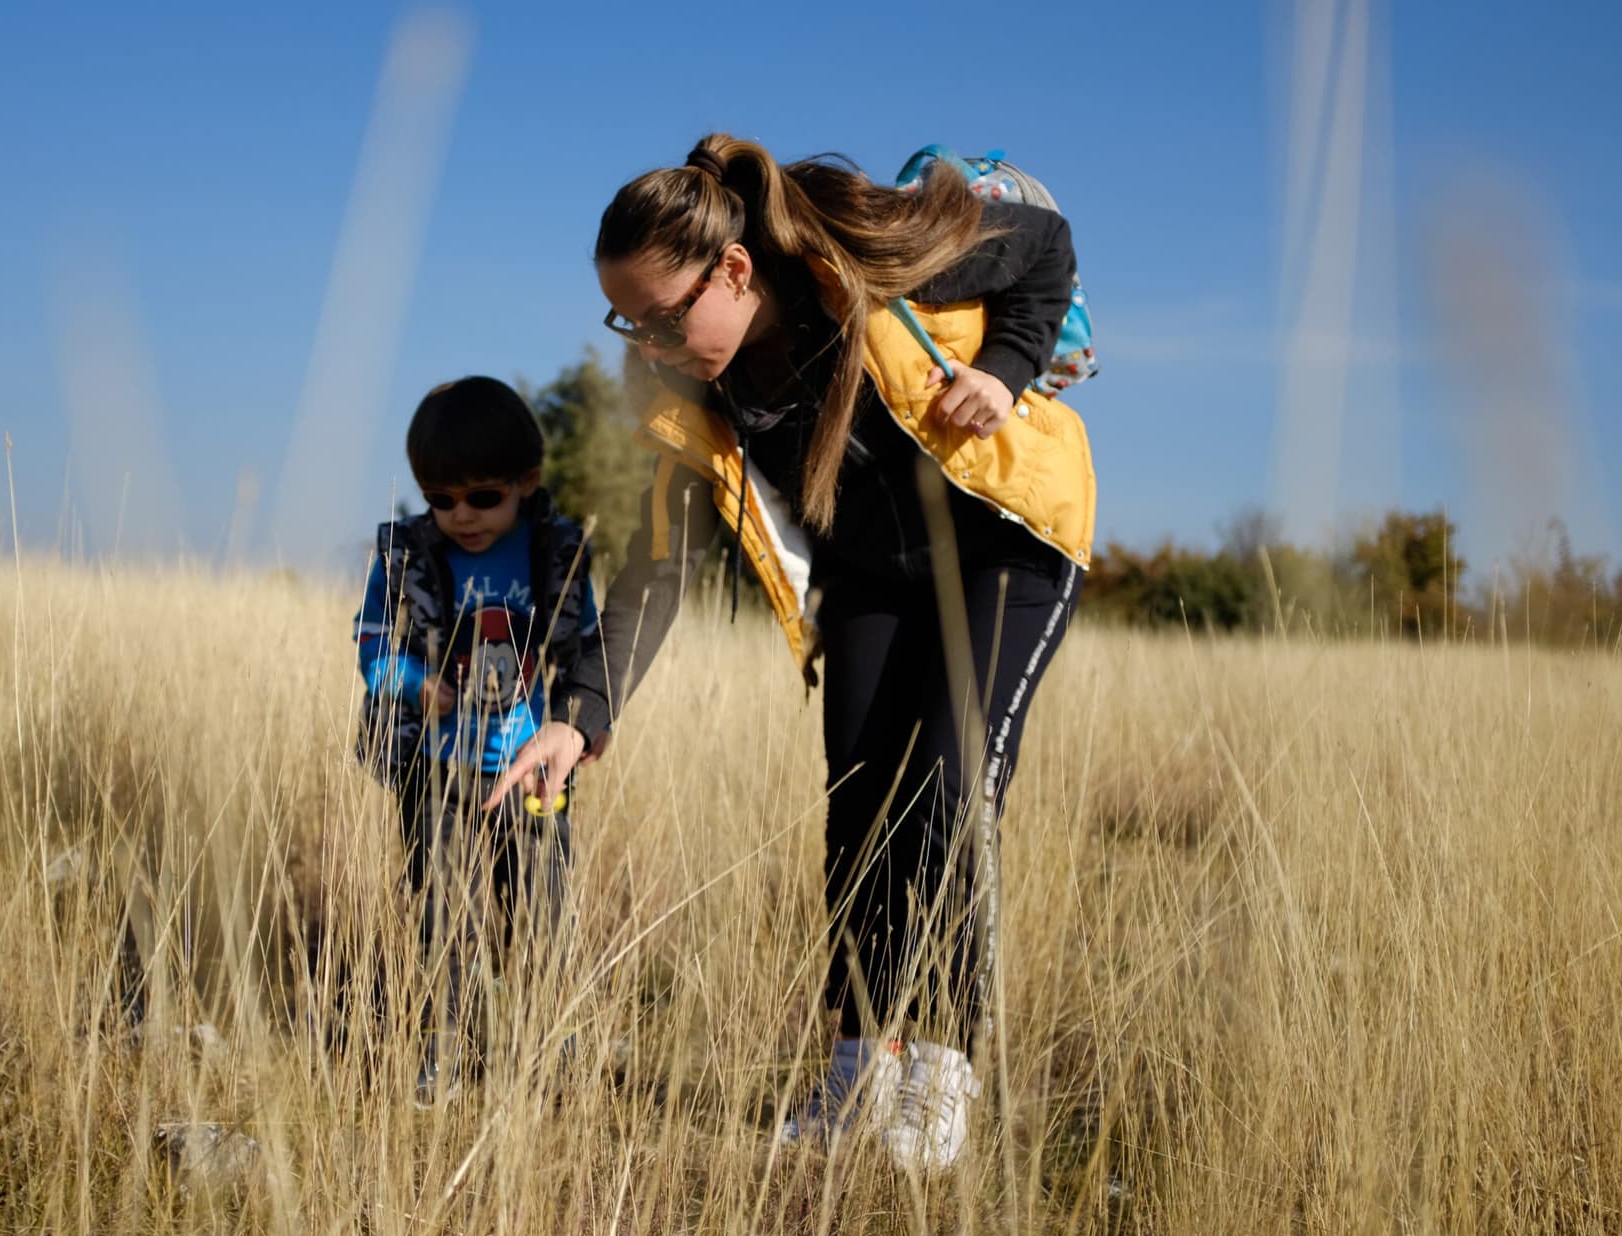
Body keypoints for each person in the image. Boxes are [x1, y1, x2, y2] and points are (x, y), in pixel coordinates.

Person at [488, 134, 1095, 1170]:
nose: (648, 344)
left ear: (732, 270)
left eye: (664, 318)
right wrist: (576, 712)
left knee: (947, 785)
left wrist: (1003, 369)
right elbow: (657, 563)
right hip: (869, 578)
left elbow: (1044, 244)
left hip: (1004, 544)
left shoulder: (860, 255)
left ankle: (939, 1073)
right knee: (858, 800)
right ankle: (861, 1065)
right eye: (625, 321)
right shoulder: (685, 388)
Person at [355, 376, 598, 1104]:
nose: (461, 516)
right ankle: (446, 1046)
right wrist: (413, 684)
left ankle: (549, 1043)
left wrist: (580, 727)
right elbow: (371, 647)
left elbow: (585, 649)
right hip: (437, 769)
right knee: (442, 908)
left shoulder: (554, 554)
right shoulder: (407, 560)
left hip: (530, 778)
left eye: (483, 497)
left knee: (541, 906)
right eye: (441, 499)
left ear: (526, 482)